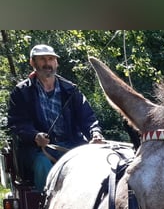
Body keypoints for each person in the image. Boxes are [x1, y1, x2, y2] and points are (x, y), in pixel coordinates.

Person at [7, 44, 104, 190]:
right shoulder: (21, 92)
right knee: (42, 164)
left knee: (95, 162)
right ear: (32, 62)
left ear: (56, 62)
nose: (47, 63)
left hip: (71, 144)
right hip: (36, 150)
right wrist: (34, 136)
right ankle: (46, 207)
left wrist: (95, 134)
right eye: (42, 59)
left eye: (51, 59)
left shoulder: (70, 89)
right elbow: (17, 123)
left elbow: (88, 118)